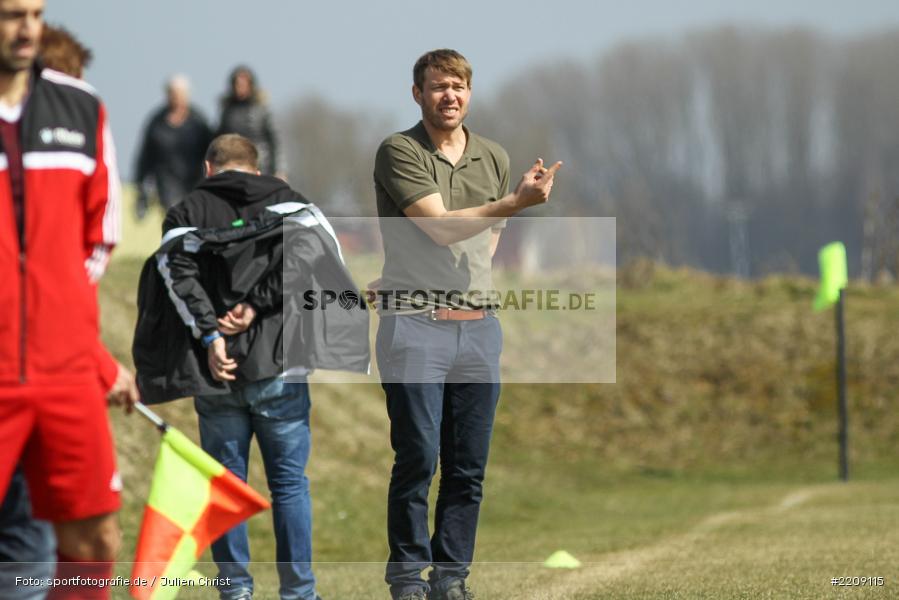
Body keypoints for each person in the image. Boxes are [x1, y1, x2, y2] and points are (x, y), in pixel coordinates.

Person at [373, 48, 561, 600]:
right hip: (414, 326)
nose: (448, 95)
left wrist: (507, 207)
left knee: (468, 466)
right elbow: (439, 228)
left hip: (479, 328)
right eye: (437, 86)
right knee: (417, 457)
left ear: (469, 93)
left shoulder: (494, 156)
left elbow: (489, 241)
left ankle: (451, 579)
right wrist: (514, 203)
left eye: (457, 86)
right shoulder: (398, 150)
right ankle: (407, 578)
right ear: (417, 94)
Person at [0, 1, 138, 599]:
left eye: (34, 12)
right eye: (10, 15)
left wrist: (65, 323)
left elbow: (99, 237)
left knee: (95, 545)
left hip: (64, 369)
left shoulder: (82, 108)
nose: (27, 27)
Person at [160, 134, 323, 600]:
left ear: (209, 169)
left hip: (216, 371)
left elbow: (176, 275)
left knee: (226, 488)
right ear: (258, 169)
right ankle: (299, 594)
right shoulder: (289, 202)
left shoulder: (187, 211)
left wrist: (210, 333)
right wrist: (256, 306)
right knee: (289, 486)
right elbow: (307, 260)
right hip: (278, 363)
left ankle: (235, 593)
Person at [134, 74, 213, 218]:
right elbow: (145, 156)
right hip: (166, 183)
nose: (176, 98)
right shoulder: (156, 122)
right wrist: (141, 187)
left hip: (194, 182)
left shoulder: (198, 121)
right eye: (172, 93)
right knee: (174, 220)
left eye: (180, 94)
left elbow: (211, 152)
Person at [217, 65, 286, 179]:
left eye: (243, 84)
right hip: (232, 168)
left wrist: (280, 170)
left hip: (260, 167)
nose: (239, 87)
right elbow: (220, 140)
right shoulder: (228, 112)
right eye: (237, 84)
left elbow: (276, 139)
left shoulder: (261, 109)